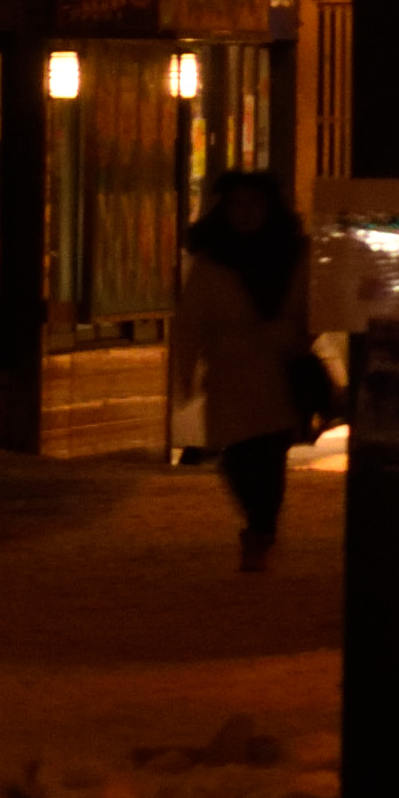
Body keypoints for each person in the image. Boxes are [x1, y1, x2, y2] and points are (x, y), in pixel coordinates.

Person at [167, 168, 328, 572]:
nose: (245, 212)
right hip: (230, 376)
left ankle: (261, 529)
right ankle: (259, 525)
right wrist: (185, 371)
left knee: (269, 460)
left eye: (254, 203)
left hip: (277, 374)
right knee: (236, 460)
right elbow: (190, 322)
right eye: (237, 204)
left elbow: (317, 308)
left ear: (271, 207)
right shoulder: (212, 261)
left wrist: (297, 338)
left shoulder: (294, 257)